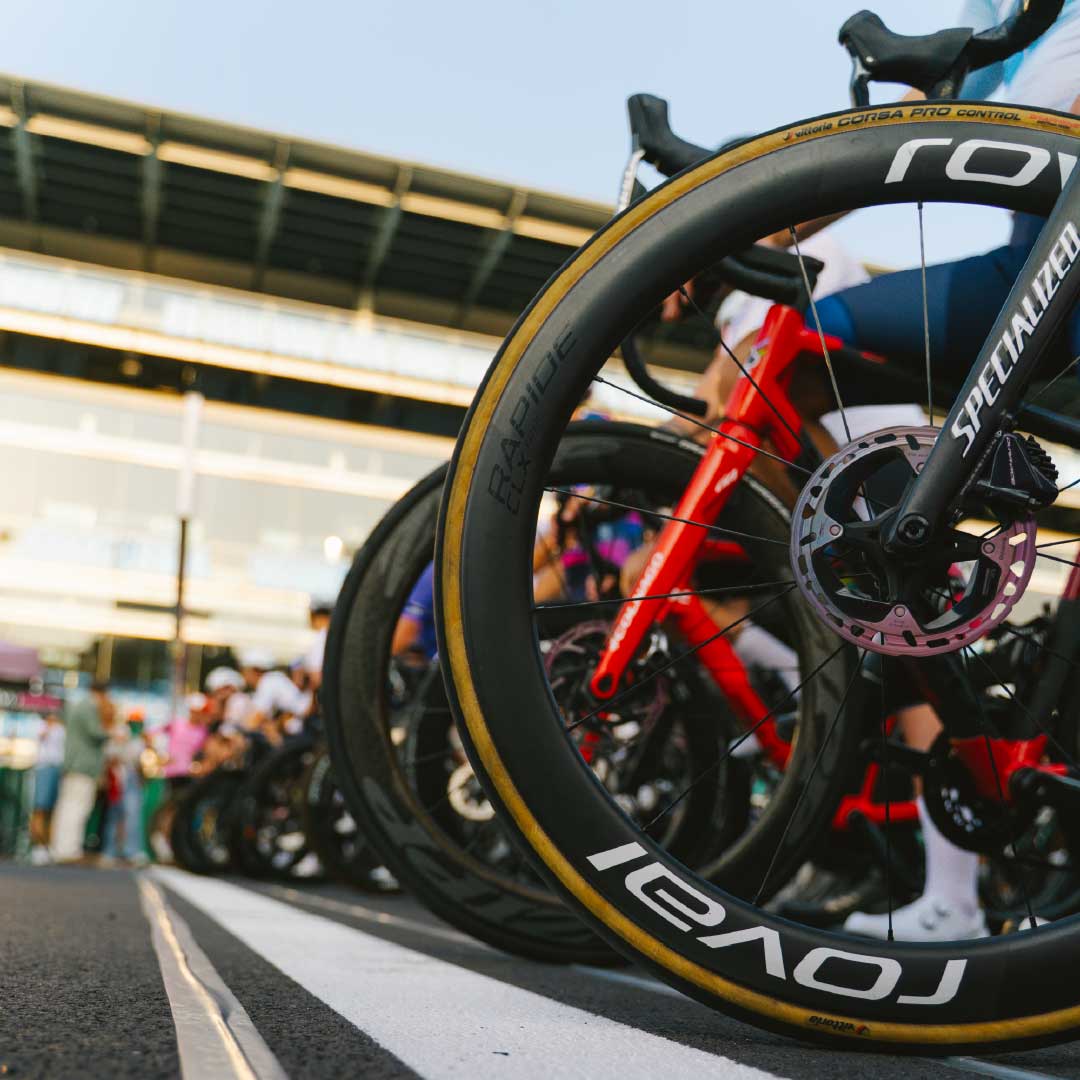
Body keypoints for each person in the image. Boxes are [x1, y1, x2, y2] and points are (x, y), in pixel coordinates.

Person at [51, 681, 114, 863]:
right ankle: (68, 850)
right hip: (83, 766)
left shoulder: (77, 706)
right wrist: (112, 734)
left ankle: (62, 848)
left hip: (74, 765)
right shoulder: (88, 707)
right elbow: (96, 733)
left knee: (68, 807)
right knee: (77, 808)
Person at [101, 710, 149, 867]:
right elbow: (110, 754)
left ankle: (132, 851)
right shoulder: (118, 733)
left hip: (130, 776)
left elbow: (138, 759)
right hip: (117, 777)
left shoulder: (139, 740)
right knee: (115, 815)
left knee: (132, 816)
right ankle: (110, 851)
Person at [28, 712, 64, 866]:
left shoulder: (61, 728)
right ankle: (38, 847)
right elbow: (40, 737)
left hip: (58, 769)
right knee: (40, 809)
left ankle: (48, 846)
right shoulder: (41, 725)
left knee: (53, 811)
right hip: (44, 768)